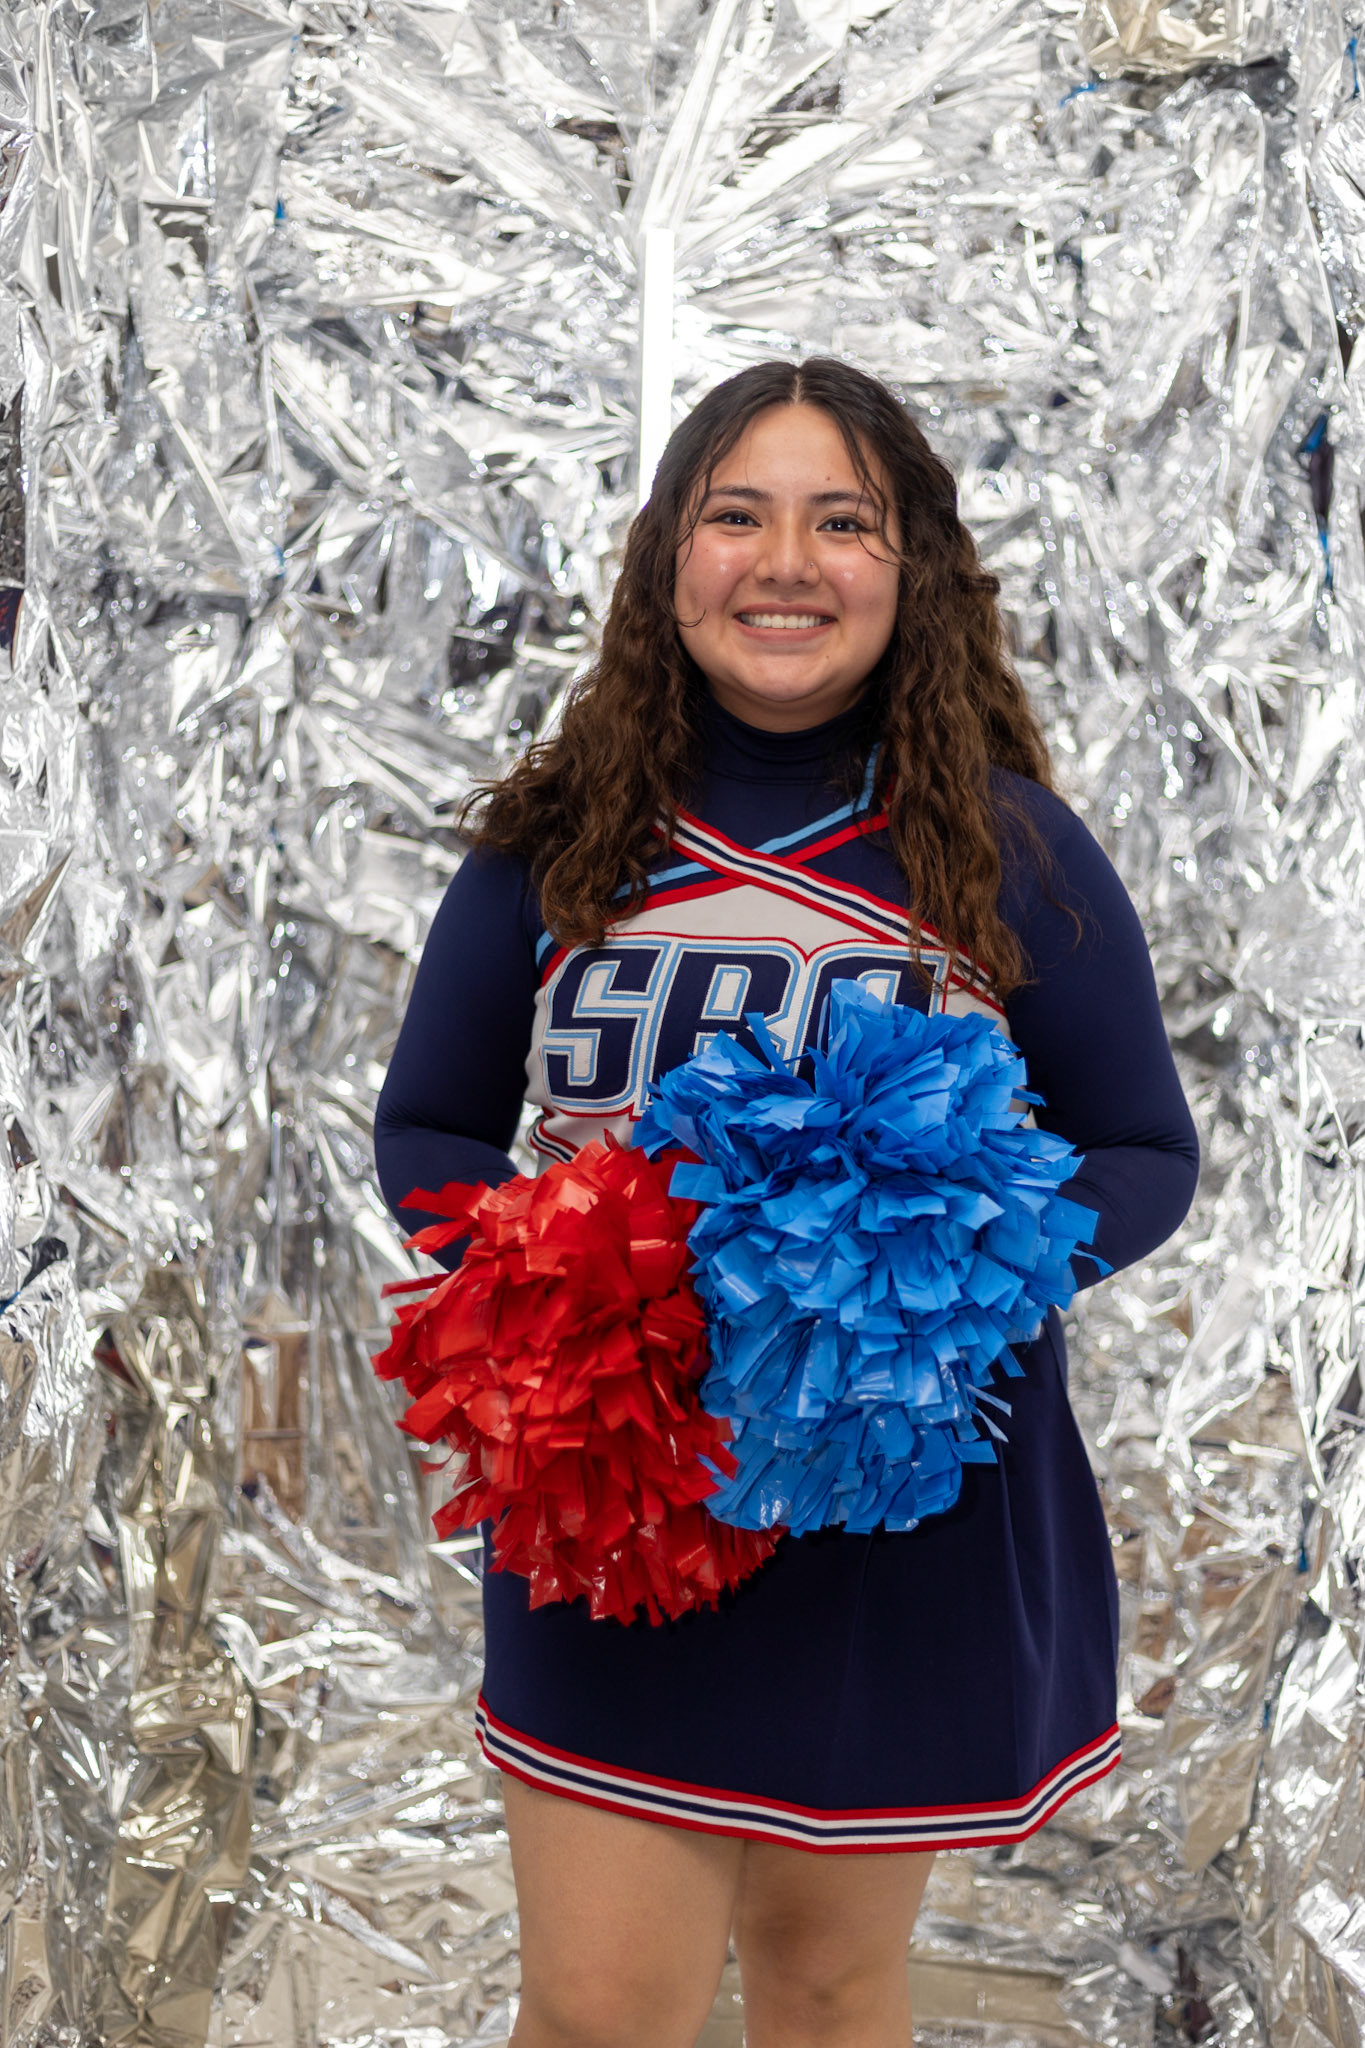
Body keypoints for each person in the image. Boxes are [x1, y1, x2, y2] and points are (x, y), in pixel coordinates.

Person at [374, 358, 1199, 2048]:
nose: (786, 561)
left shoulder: (1007, 848)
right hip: (626, 1502)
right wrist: (561, 1282)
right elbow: (432, 1129)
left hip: (892, 1517)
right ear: (668, 554)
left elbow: (1142, 1150)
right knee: (603, 2015)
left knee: (825, 1991)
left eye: (844, 521)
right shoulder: (548, 848)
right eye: (736, 514)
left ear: (913, 575)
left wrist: (942, 1270)